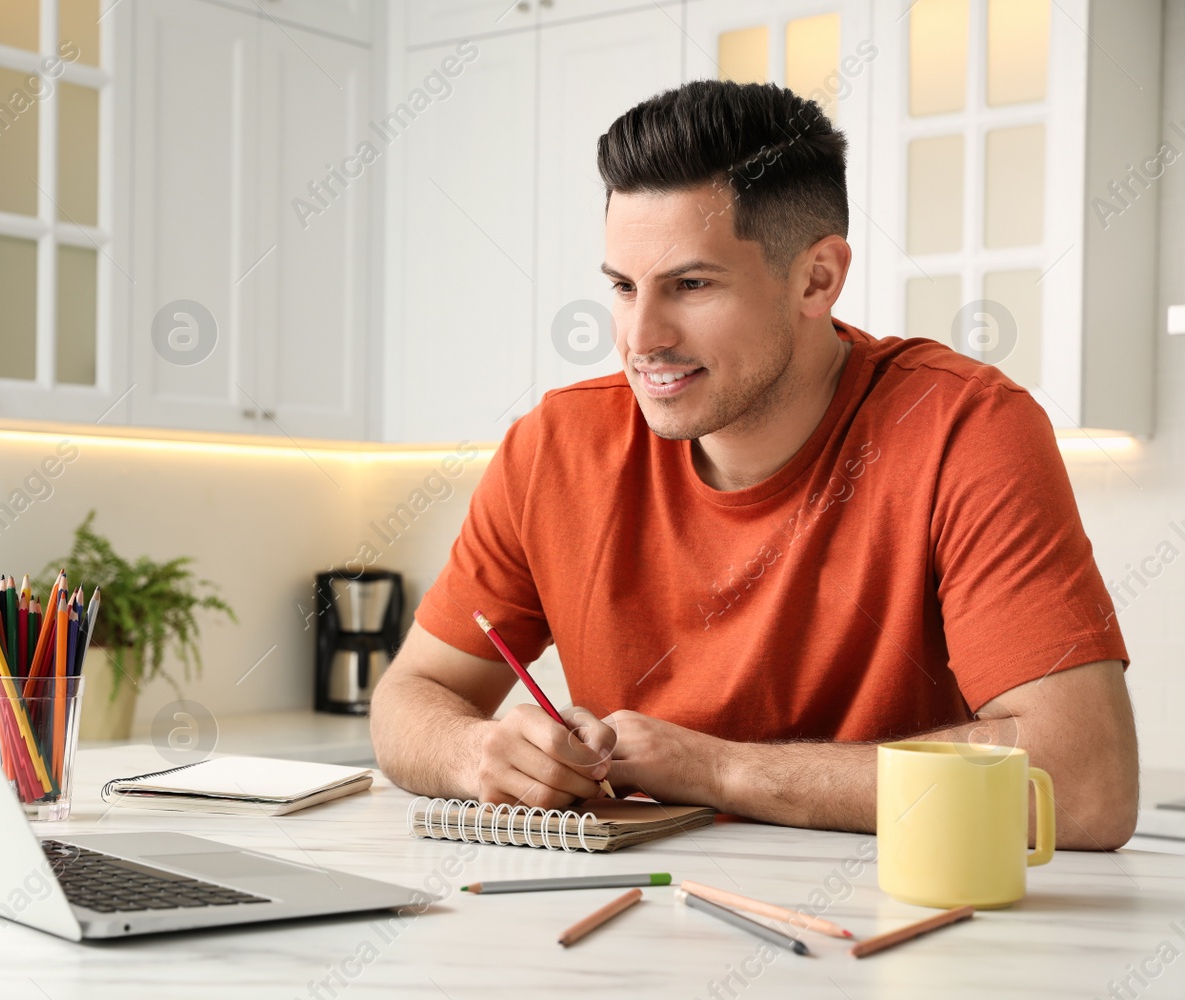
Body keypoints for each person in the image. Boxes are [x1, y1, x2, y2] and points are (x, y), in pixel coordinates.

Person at [370, 79, 1137, 849]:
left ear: (817, 278)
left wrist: (720, 771)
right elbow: (409, 698)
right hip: (628, 919)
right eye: (623, 287)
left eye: (691, 285)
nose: (641, 337)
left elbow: (1085, 781)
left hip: (886, 924)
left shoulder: (965, 430)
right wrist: (481, 754)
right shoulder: (553, 446)